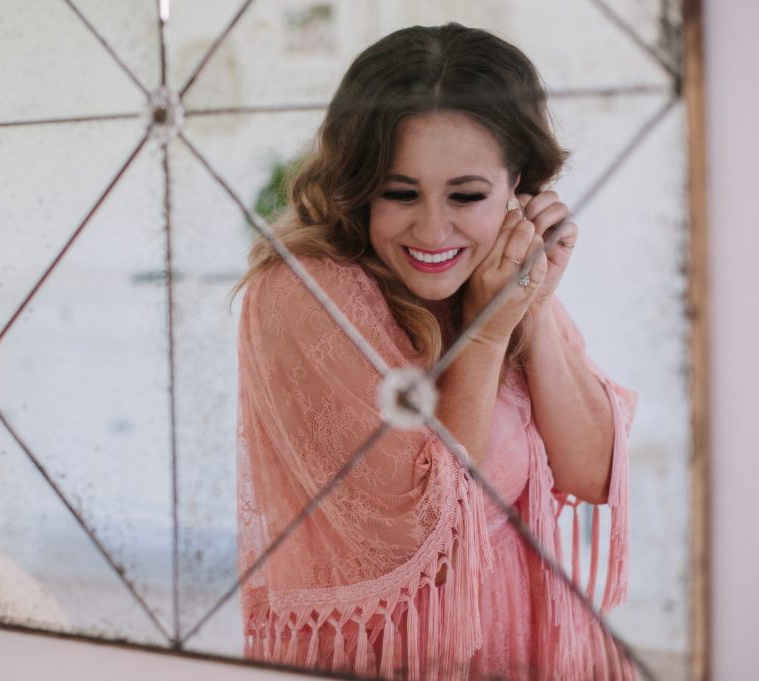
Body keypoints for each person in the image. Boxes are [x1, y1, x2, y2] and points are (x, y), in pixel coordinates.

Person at [233, 23, 637, 681]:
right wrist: (482, 335)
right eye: (400, 193)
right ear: (358, 184)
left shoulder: (494, 276)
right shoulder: (306, 293)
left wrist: (527, 309)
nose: (432, 228)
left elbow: (591, 473)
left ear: (521, 191)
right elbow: (426, 538)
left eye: (467, 195)